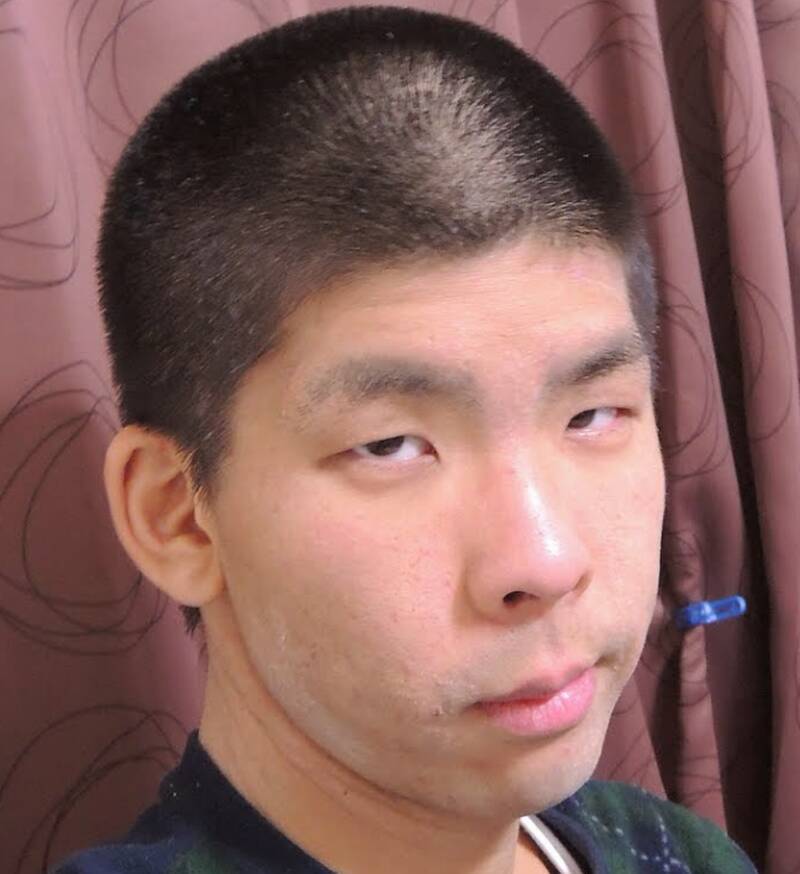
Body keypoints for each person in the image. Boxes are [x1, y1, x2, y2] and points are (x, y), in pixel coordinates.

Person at [52, 6, 756, 873]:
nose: (544, 563)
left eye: (592, 416)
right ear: (178, 517)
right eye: (391, 446)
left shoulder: (679, 852)